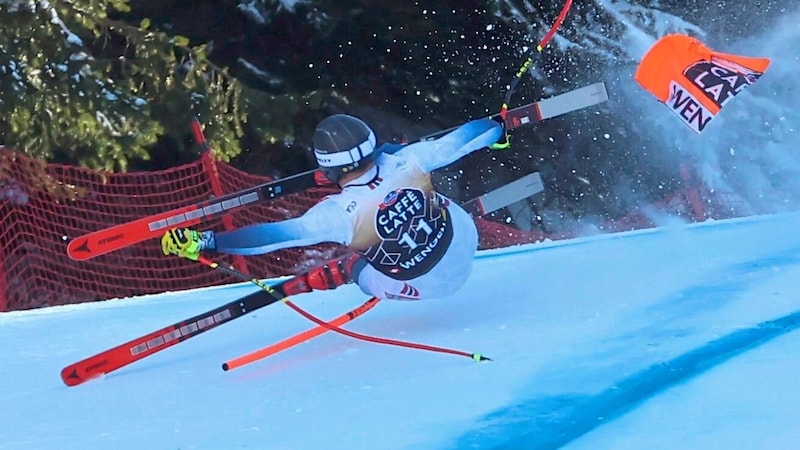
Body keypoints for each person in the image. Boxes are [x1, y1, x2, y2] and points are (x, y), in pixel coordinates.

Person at [161, 114, 503, 300]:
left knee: (358, 266)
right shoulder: (413, 158)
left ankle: (348, 271)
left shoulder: (335, 214)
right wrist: (497, 128)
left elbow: (273, 236)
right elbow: (467, 137)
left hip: (433, 288)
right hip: (464, 239)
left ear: (327, 170)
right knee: (433, 191)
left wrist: (208, 242)